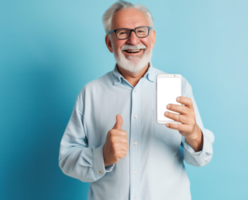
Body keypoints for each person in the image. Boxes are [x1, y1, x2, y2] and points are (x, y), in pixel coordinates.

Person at [58, 1, 214, 200]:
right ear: (109, 42)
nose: (133, 40)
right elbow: (66, 160)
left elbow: (202, 159)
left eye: (141, 31)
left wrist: (193, 134)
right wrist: (102, 157)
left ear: (153, 38)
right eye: (122, 32)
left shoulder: (179, 87)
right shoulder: (91, 93)